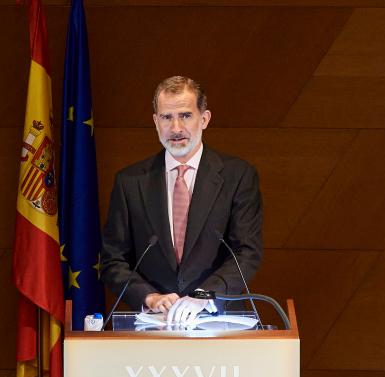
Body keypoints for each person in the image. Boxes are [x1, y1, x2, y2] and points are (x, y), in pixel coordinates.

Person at [100, 76, 263, 324]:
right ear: (156, 122)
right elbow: (113, 260)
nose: (176, 128)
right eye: (166, 117)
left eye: (185, 116)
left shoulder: (238, 176)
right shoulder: (130, 182)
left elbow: (247, 253)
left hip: (218, 322)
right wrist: (149, 297)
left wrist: (203, 296)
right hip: (155, 323)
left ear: (204, 119)